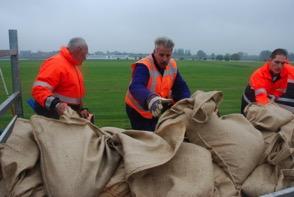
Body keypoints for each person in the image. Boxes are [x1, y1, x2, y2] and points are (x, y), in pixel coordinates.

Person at [125, 37, 191, 131]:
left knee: (159, 134)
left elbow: (181, 87)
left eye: (168, 55)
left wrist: (187, 102)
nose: (165, 59)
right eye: (161, 55)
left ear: (171, 53)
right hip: (138, 110)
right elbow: (136, 86)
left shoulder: (172, 65)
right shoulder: (144, 65)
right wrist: (150, 98)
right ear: (155, 51)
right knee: (146, 139)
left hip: (158, 108)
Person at [31, 37, 93, 121]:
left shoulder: (73, 66)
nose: (85, 58)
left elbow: (72, 95)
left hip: (68, 115)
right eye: (84, 55)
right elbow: (39, 90)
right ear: (77, 50)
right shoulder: (56, 63)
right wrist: (56, 105)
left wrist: (80, 109)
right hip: (55, 117)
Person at [241, 48, 289, 114]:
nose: (280, 66)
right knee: (247, 120)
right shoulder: (259, 74)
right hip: (251, 99)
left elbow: (281, 89)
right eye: (277, 62)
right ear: (269, 60)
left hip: (266, 97)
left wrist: (274, 97)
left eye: (283, 63)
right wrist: (271, 108)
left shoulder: (285, 73)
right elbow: (261, 98)